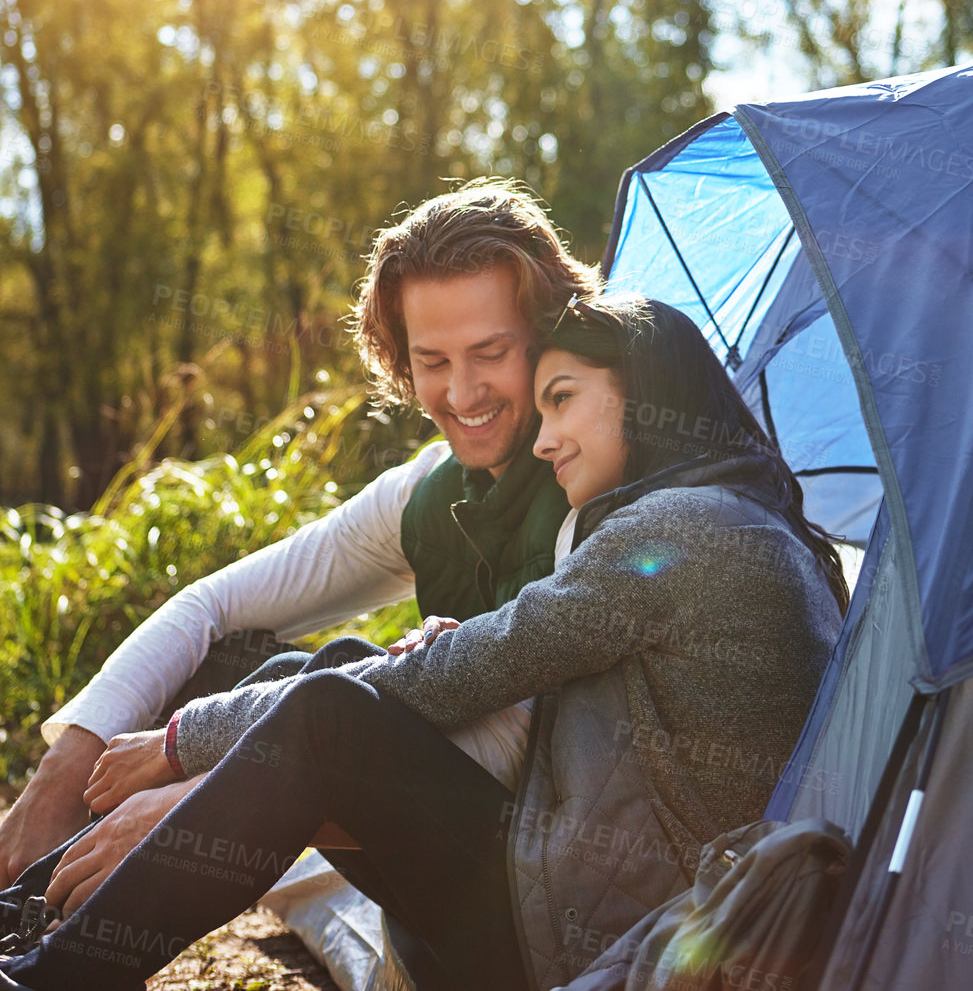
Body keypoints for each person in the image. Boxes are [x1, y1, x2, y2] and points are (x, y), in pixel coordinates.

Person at [0, 295, 846, 991]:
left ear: (647, 394)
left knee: (330, 711)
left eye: (564, 399)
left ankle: (55, 980)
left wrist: (188, 740)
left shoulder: (680, 532)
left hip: (613, 942)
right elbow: (536, 687)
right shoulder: (754, 526)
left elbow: (468, 673)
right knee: (321, 671)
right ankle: (28, 922)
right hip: (606, 900)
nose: (546, 437)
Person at [0, 179, 600, 906]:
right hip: (406, 842)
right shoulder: (427, 493)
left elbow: (525, 758)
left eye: (491, 352)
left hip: (524, 886)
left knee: (325, 685)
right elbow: (213, 606)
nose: (462, 392)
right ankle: (44, 909)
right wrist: (63, 773)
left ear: (550, 334)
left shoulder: (598, 498)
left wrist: (209, 795)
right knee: (235, 662)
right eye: (432, 361)